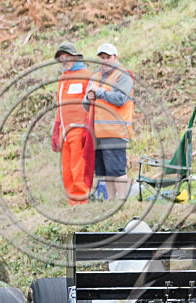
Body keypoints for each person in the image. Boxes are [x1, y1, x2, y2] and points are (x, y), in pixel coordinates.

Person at [83, 43, 134, 200]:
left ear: (115, 58)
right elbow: (86, 105)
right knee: (106, 173)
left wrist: (99, 92)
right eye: (102, 58)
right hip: (98, 134)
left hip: (116, 132)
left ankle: (122, 201)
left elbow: (120, 99)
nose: (104, 61)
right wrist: (88, 98)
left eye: (108, 57)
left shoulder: (123, 76)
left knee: (118, 171)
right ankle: (111, 202)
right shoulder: (95, 77)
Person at [51, 41, 92, 206]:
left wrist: (88, 129)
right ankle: (73, 204)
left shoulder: (86, 76)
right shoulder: (62, 79)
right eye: (61, 57)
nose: (64, 60)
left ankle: (82, 203)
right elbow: (60, 106)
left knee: (79, 168)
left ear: (75, 57)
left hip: (79, 129)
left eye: (67, 56)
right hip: (64, 133)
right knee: (67, 170)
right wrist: (56, 130)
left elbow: (92, 104)